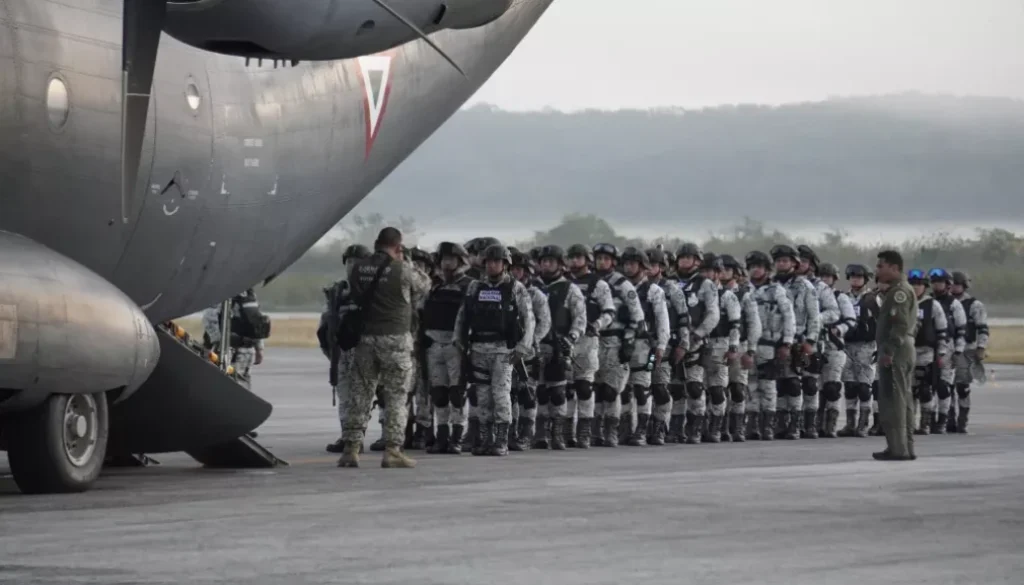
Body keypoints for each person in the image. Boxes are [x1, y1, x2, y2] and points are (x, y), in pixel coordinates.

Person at [338, 227, 432, 469]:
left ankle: (351, 449)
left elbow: (356, 292)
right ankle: (392, 451)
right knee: (396, 398)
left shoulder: (359, 268)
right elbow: (424, 285)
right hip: (395, 340)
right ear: (398, 246)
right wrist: (405, 261)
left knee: (360, 395)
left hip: (365, 340)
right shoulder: (402, 269)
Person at [454, 244, 535, 456]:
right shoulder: (474, 287)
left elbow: (529, 319)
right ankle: (485, 439)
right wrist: (459, 341)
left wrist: (522, 347)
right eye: (488, 262)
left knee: (500, 394)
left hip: (503, 351)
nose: (492, 265)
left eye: (496, 261)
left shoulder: (516, 288)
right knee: (482, 396)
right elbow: (463, 316)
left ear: (505, 265)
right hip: (478, 349)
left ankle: (501, 441)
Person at [873, 250, 918, 461]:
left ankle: (898, 448)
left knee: (894, 399)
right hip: (903, 347)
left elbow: (899, 325)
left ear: (894, 268)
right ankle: (905, 446)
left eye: (881, 266)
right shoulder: (898, 290)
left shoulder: (899, 292)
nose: (877, 270)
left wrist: (889, 350)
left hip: (897, 349)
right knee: (903, 397)